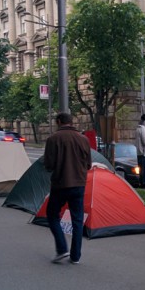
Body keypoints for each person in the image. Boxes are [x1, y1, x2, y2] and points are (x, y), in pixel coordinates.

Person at [43, 112, 92, 264]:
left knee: (52, 214)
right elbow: (89, 164)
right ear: (71, 122)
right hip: (79, 184)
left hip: (60, 184)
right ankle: (75, 256)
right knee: (77, 220)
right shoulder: (84, 139)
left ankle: (62, 248)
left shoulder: (53, 139)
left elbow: (49, 165)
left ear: (59, 121)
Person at [135, 114, 145, 187]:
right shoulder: (143, 129)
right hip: (144, 152)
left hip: (138, 152)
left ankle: (140, 182)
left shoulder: (137, 129)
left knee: (140, 169)